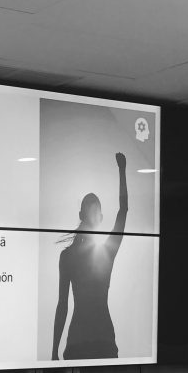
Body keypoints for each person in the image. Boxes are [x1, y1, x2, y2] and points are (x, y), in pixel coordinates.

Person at [51, 152, 127, 361]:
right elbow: (123, 210)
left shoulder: (70, 256)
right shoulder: (97, 252)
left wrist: (54, 351)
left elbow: (62, 305)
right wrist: (122, 170)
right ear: (100, 218)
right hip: (96, 341)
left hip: (87, 341)